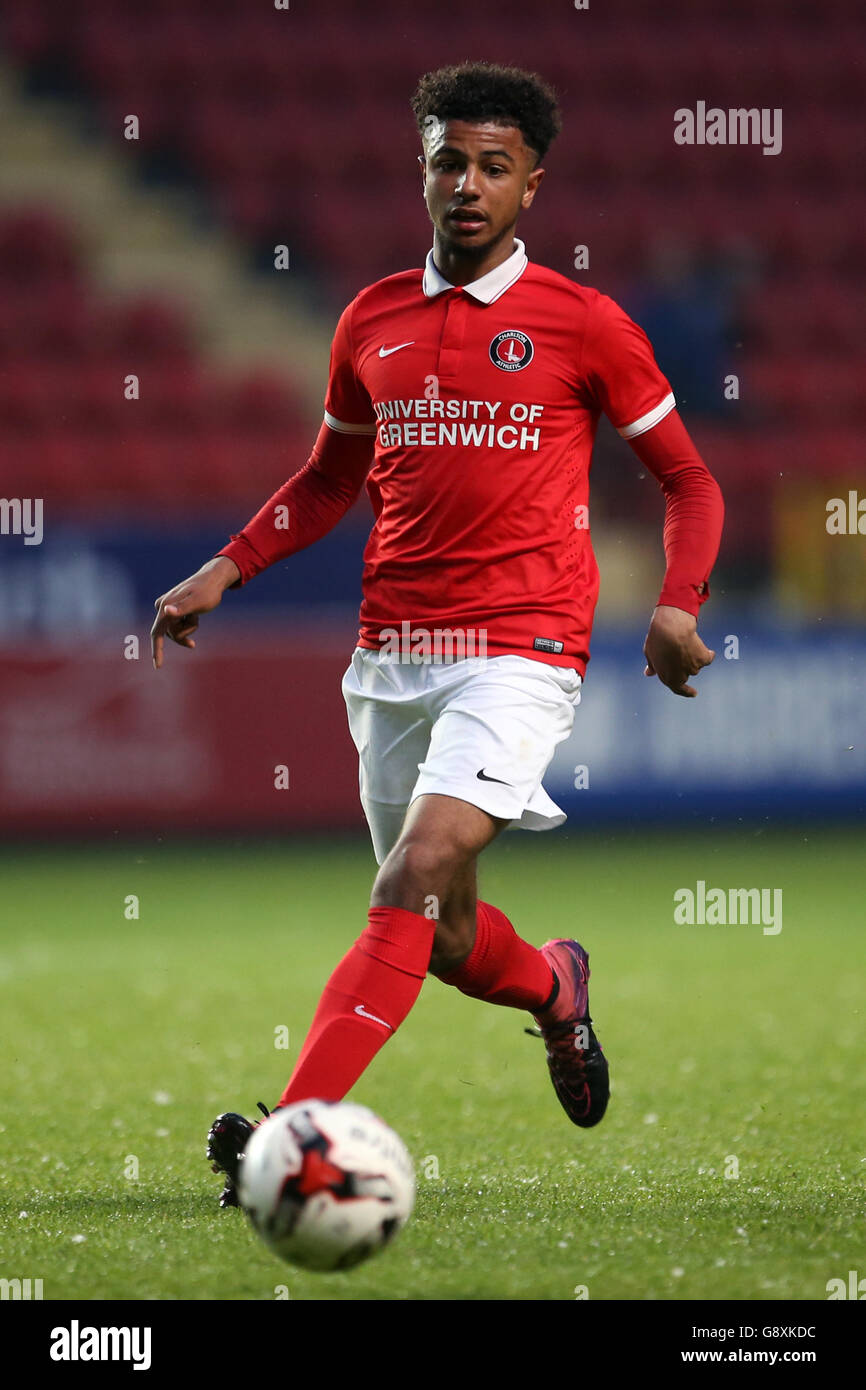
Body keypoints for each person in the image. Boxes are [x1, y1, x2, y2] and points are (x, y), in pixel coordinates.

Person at [151, 61, 724, 1210]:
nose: (467, 184)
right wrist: (227, 566)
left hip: (521, 649)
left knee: (410, 873)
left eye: (492, 168)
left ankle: (291, 1136)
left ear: (530, 189)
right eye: (447, 162)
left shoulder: (582, 323)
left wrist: (678, 602)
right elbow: (326, 481)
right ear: (422, 173)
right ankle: (556, 988)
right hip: (391, 657)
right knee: (447, 931)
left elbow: (687, 480)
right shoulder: (370, 317)